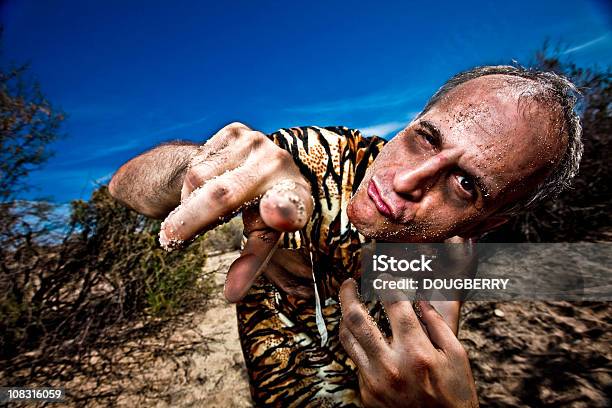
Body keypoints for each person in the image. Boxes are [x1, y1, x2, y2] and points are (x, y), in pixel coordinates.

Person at [109, 65, 582, 407]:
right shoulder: (319, 159)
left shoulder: (447, 258)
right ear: (410, 122)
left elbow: (419, 365)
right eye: (427, 138)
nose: (405, 181)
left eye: (465, 185)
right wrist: (204, 166)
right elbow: (125, 184)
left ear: (486, 223)